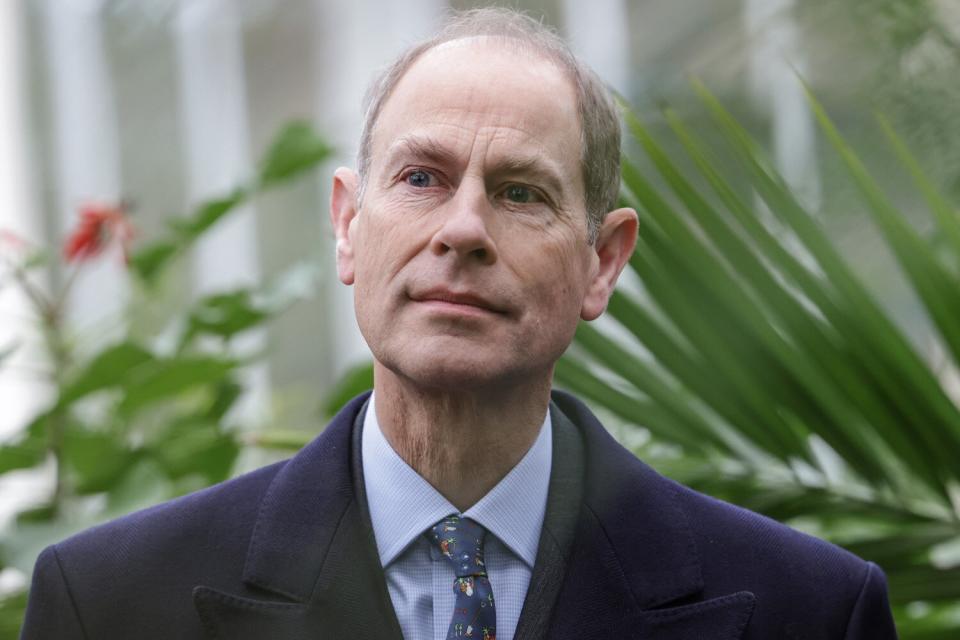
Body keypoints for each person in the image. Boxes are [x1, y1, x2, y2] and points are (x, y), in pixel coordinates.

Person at [21, 8, 897, 640]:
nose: (465, 229)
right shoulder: (110, 603)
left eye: (521, 192)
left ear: (603, 261)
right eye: (420, 179)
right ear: (346, 226)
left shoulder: (812, 611)